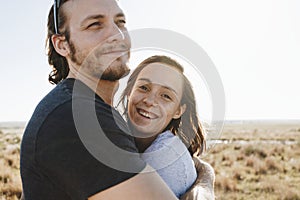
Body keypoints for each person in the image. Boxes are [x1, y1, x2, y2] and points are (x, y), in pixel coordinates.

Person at [20, 0, 215, 199]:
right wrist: (206, 179)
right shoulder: (76, 118)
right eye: (95, 24)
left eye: (120, 22)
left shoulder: (86, 110)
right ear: (62, 44)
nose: (117, 34)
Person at [118, 55, 206, 198]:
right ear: (129, 91)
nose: (150, 101)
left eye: (166, 96)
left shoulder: (164, 158)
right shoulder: (116, 134)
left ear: (178, 111)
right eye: (144, 87)